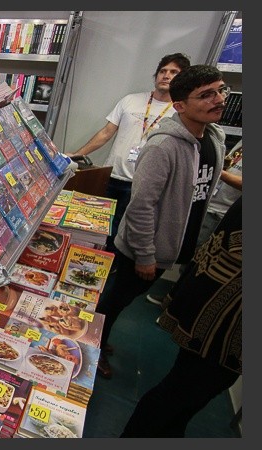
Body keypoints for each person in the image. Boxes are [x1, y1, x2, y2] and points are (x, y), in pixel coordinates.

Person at [94, 64, 228, 379]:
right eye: (206, 95)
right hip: (145, 248)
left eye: (221, 91)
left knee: (124, 298)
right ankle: (91, 345)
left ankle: (99, 336)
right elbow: (141, 205)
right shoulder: (163, 146)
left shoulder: (214, 137)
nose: (218, 99)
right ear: (180, 106)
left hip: (174, 242)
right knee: (116, 299)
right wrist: (145, 254)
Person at [121, 195, 241, 437]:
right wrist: (145, 254)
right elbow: (142, 203)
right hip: (221, 323)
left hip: (222, 319)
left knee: (186, 399)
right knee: (179, 394)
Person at [69, 53, 191, 254]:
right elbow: (106, 133)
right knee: (97, 228)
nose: (166, 75)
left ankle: (113, 266)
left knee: (124, 235)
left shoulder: (180, 112)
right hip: (111, 176)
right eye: (163, 71)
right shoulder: (131, 100)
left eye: (174, 72)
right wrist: (77, 155)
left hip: (142, 185)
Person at [146, 139, 242, 305]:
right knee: (192, 256)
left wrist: (218, 172)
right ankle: (175, 298)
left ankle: (177, 302)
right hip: (210, 205)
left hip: (223, 214)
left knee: (199, 262)